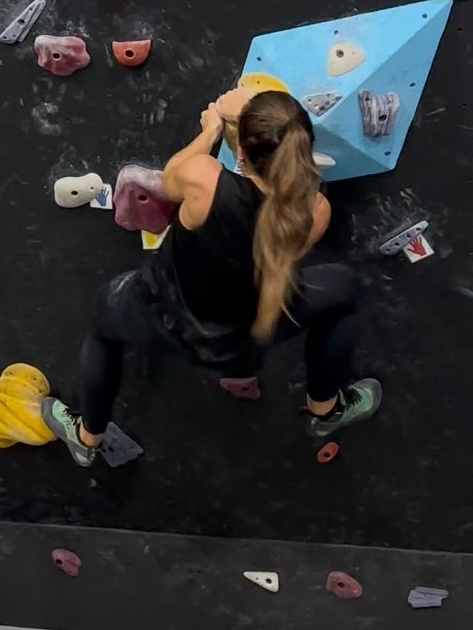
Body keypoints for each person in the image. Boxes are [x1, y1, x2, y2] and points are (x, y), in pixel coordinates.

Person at [42, 87, 381, 467]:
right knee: (345, 289)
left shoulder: (204, 180)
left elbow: (169, 179)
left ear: (241, 153)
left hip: (159, 314)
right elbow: (273, 236)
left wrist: (211, 130)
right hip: (244, 336)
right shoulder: (315, 210)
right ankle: (325, 410)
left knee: (104, 317)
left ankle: (88, 437)